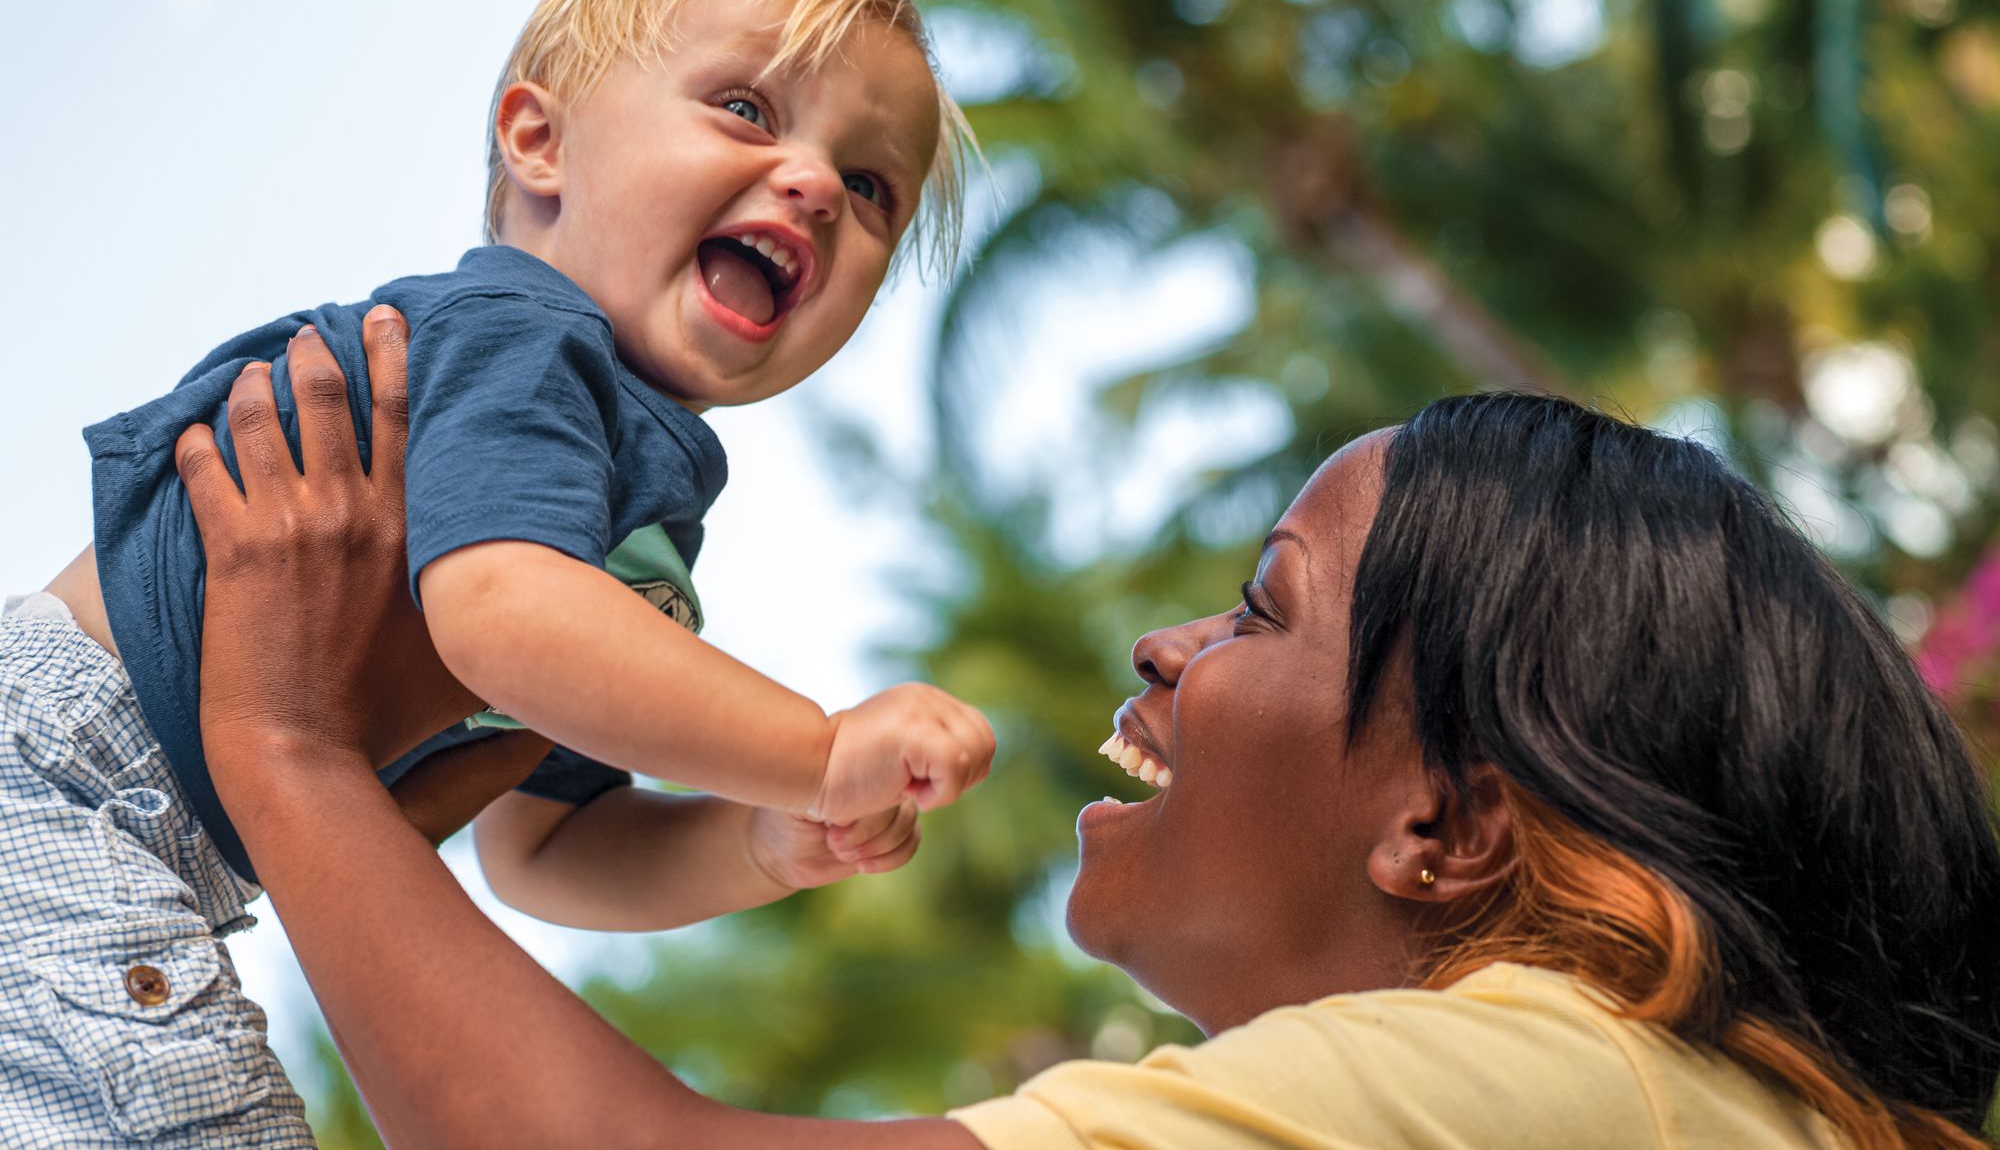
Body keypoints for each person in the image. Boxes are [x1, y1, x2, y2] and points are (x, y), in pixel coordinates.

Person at [179, 315, 2000, 1147]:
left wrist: (282, 743)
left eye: (1263, 602)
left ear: (1446, 830)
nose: (1166, 641)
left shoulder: (1547, 1075)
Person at [1, 0, 993, 1143]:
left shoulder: (634, 525)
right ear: (540, 142)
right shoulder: (524, 338)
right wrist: (815, 747)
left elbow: (543, 845)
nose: (812, 185)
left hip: (135, 841)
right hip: (58, 782)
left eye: (869, 186)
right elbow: (500, 614)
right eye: (745, 108)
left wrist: (759, 839)